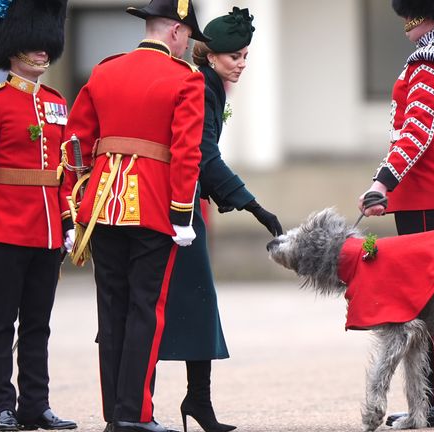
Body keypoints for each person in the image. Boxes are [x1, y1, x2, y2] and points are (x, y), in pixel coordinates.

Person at [59, 1, 209, 431]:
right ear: (177, 32)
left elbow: (75, 144)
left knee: (112, 311)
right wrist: (182, 214)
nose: (186, 47)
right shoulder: (186, 80)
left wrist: (74, 201)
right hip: (155, 206)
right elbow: (186, 153)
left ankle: (115, 416)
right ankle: (135, 415)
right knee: (146, 310)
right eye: (187, 38)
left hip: (102, 207)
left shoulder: (105, 70)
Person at [156, 7, 283, 432]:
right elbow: (204, 156)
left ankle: (196, 401)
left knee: (194, 303)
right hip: (175, 209)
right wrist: (254, 206)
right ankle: (143, 409)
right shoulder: (203, 87)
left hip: (187, 203)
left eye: (245, 56)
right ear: (210, 56)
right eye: (234, 57)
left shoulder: (212, 85)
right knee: (164, 306)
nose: (242, 64)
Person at [0, 0, 76, 430]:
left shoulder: (57, 102)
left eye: (46, 45)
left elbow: (63, 171)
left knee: (38, 325)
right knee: (2, 323)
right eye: (35, 45)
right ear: (13, 49)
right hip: (6, 228)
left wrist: (66, 220)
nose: (44, 52)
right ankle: (2, 406)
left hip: (46, 233)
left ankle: (35, 404)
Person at [358, 0, 434, 427]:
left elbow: (417, 130)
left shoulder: (431, 57)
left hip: (430, 192)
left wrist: (382, 183)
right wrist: (388, 182)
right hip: (433, 189)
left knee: (430, 301)